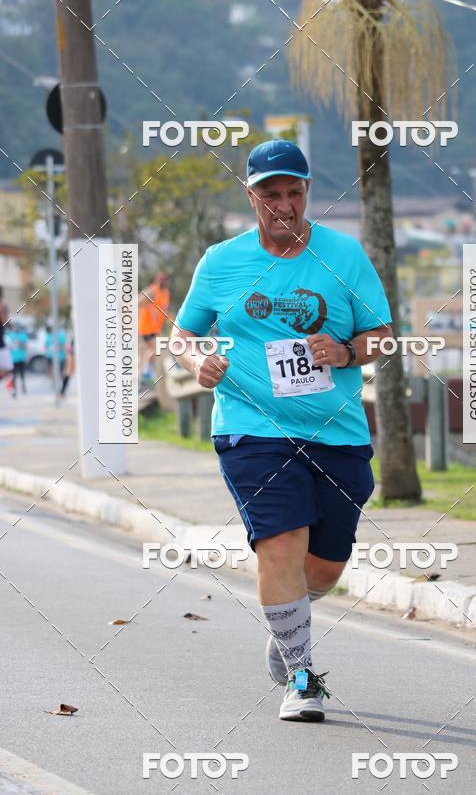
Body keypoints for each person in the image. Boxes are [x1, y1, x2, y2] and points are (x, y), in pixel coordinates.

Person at [171, 139, 392, 723]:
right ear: (252, 197)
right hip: (251, 428)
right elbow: (182, 335)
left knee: (323, 566)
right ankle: (302, 677)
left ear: (307, 192)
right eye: (271, 194)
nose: (285, 204)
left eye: (295, 192)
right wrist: (197, 363)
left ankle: (288, 621)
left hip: (336, 431)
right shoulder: (220, 261)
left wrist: (345, 352)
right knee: (281, 544)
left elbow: (384, 338)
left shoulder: (344, 256)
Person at [139, 272, 170, 385]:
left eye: (164, 279)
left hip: (155, 328)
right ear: (156, 280)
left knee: (156, 350)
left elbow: (164, 308)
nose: (162, 281)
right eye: (160, 279)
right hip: (147, 327)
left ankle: (146, 373)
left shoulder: (165, 292)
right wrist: (150, 309)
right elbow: (139, 302)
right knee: (157, 348)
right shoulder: (152, 290)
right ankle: (145, 373)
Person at [7, 325, 28, 397]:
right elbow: (25, 346)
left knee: (16, 375)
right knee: (16, 375)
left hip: (18, 358)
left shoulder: (11, 335)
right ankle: (17, 389)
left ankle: (19, 388)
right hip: (16, 358)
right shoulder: (21, 335)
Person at [0, 287, 13, 382]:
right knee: (6, 370)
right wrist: (11, 325)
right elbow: (5, 321)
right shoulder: (2, 305)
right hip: (0, 344)